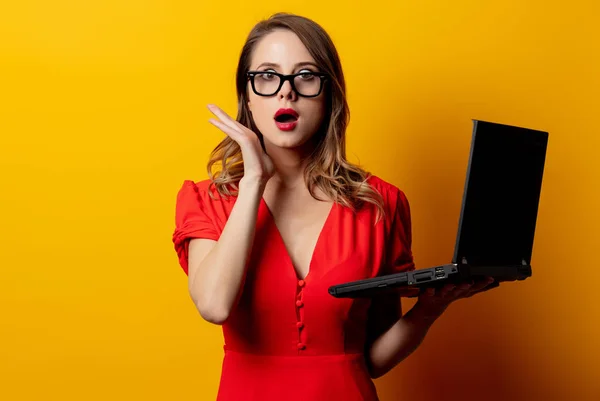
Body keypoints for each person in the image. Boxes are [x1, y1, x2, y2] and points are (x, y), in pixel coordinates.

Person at [171, 12, 496, 401]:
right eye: (268, 76)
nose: (285, 92)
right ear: (248, 98)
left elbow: (371, 360)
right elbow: (214, 304)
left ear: (329, 96)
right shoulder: (205, 200)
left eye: (306, 75)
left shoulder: (380, 204)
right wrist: (254, 180)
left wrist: (428, 310)